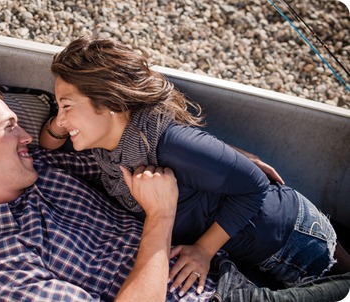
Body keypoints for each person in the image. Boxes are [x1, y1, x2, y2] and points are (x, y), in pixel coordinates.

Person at [39, 36, 350, 296]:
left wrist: (203, 250)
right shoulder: (107, 146)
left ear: (108, 104)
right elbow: (48, 144)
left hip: (290, 236)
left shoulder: (168, 142)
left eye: (66, 106)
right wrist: (61, 120)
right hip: (248, 248)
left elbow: (255, 185)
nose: (62, 119)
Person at [0, 85, 196, 301]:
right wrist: (160, 216)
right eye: (9, 127)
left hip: (211, 267)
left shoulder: (37, 165)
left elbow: (117, 159)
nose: (26, 136)